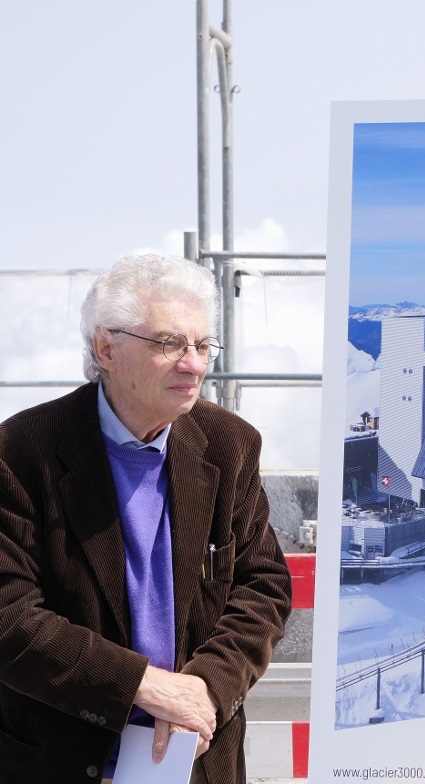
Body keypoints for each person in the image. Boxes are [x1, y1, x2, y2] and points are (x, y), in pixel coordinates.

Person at [0, 254, 292, 783]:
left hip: (196, 760)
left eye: (203, 345)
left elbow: (263, 586)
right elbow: (10, 616)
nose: (195, 364)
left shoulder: (229, 446)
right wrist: (143, 686)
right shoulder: (23, 451)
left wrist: (205, 687)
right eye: (169, 343)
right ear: (106, 348)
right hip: (62, 760)